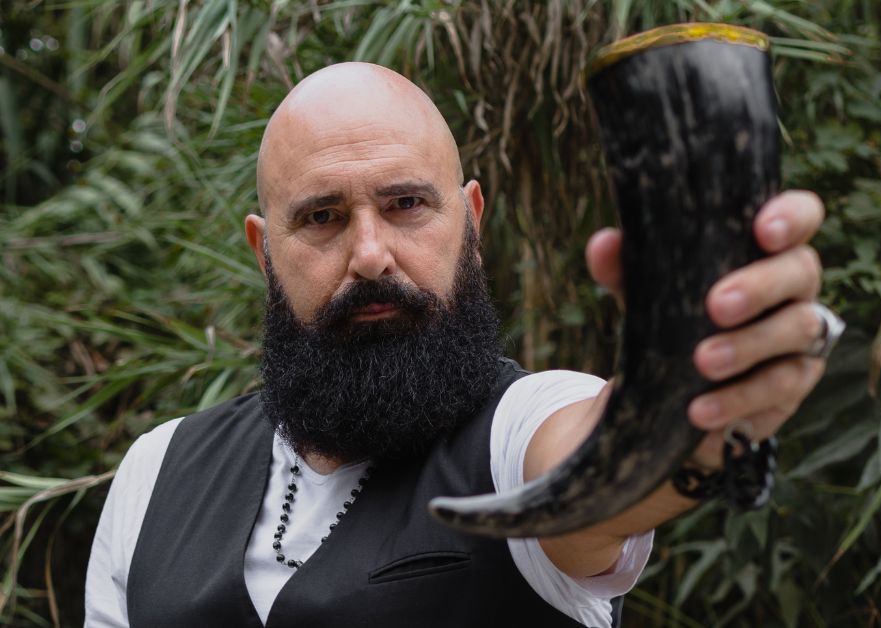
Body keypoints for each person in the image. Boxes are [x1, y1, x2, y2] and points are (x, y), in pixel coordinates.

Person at [84, 62, 834, 627]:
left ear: (471, 219)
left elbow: (601, 463)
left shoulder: (520, 429)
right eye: (321, 217)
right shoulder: (156, 471)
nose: (371, 253)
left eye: (406, 203)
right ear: (264, 250)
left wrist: (682, 390)